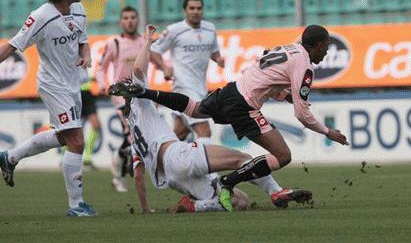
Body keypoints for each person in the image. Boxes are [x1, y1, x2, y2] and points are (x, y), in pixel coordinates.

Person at [114, 24, 349, 211]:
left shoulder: (287, 49)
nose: (327, 51)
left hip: (231, 91)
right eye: (326, 47)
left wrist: (285, 95)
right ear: (317, 46)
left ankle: (147, 93)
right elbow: (301, 113)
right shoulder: (304, 63)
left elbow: (270, 80)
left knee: (195, 109)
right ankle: (229, 182)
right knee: (282, 155)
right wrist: (328, 132)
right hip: (243, 105)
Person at [0, 0, 96, 217]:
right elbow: (12, 46)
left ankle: (10, 157)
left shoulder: (79, 10)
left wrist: (86, 57)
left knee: (65, 138)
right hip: (53, 85)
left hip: (74, 82)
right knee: (76, 140)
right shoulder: (41, 16)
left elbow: (83, 41)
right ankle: (76, 206)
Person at [149, 0, 225, 146]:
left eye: (199, 8)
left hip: (200, 88)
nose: (195, 11)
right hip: (183, 87)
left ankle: (161, 162)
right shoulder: (174, 30)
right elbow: (153, 51)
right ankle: (208, 170)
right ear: (185, 11)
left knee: (180, 133)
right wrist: (165, 67)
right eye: (192, 8)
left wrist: (218, 59)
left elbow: (213, 51)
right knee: (204, 131)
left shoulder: (210, 29)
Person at [96, 6, 145, 193]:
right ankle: (119, 175)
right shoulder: (115, 43)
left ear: (137, 20)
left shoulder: (143, 41)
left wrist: (166, 69)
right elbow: (101, 67)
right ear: (121, 22)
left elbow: (155, 60)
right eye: (126, 17)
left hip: (141, 96)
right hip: (122, 99)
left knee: (139, 138)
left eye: (133, 17)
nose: (130, 20)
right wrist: (102, 84)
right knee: (131, 136)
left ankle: (123, 165)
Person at [80, 76, 101, 170]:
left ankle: (87, 159)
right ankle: (66, 158)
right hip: (75, 92)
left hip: (88, 93)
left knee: (96, 125)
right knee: (72, 128)